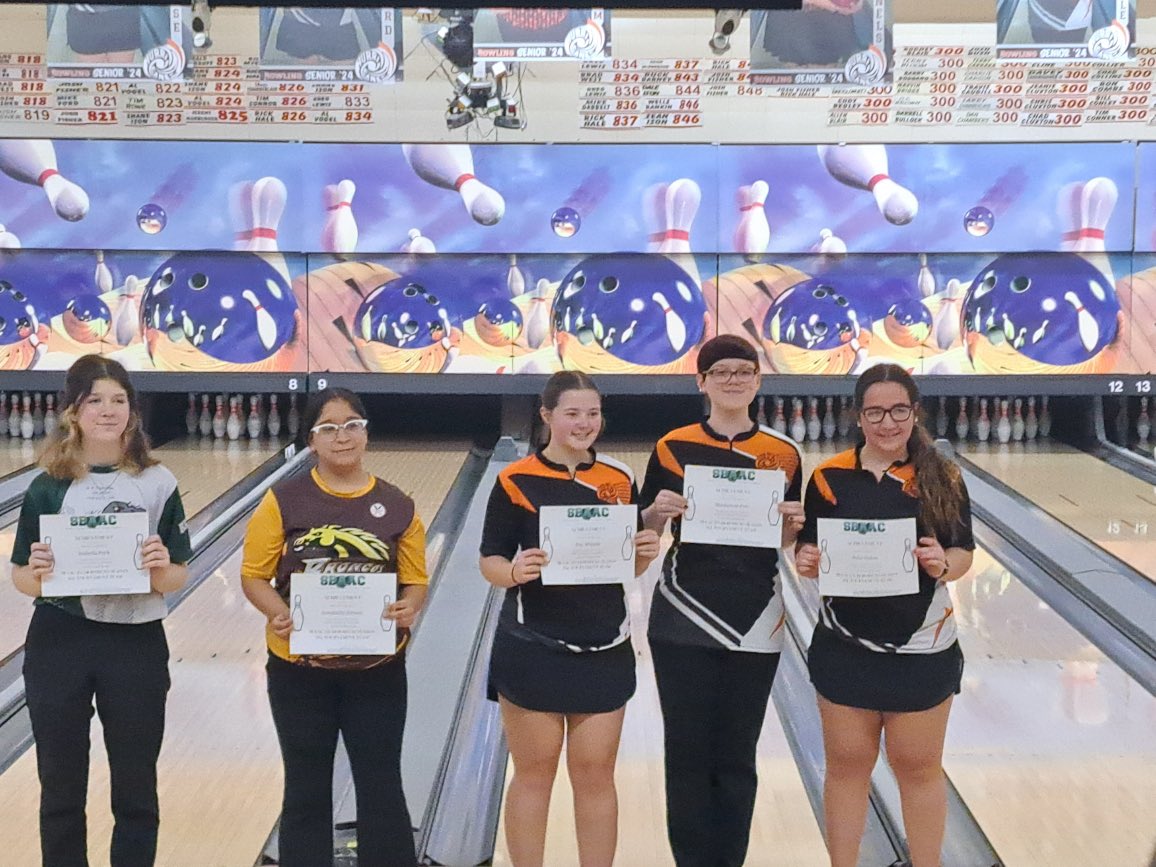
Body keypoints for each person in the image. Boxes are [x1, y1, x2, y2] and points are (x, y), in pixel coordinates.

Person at [9, 355, 192, 867]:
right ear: (73, 411)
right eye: (95, 400)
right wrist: (40, 571)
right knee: (61, 789)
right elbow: (22, 577)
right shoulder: (47, 486)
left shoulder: (158, 482)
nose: (108, 411)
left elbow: (179, 574)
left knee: (136, 789)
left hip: (135, 642)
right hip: (60, 639)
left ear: (132, 411)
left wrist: (160, 566)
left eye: (119, 400)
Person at [794, 364, 975, 867]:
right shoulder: (829, 478)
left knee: (918, 769)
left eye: (899, 410)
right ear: (858, 416)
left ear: (915, 412)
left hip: (922, 646)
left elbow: (963, 553)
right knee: (846, 769)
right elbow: (810, 550)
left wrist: (943, 565)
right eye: (875, 411)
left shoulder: (943, 475)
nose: (888, 422)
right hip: (846, 645)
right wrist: (805, 559)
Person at [479, 371, 661, 867]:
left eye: (593, 413)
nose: (584, 423)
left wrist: (646, 550)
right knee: (534, 776)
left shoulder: (620, 480)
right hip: (533, 645)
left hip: (603, 648)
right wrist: (515, 570)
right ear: (547, 416)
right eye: (573, 413)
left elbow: (629, 566)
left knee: (596, 777)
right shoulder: (513, 480)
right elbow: (489, 560)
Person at [241, 387, 428, 867]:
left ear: (365, 432)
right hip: (297, 667)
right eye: (329, 428)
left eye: (352, 425)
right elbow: (253, 576)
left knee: (381, 782)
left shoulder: (398, 504)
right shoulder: (282, 501)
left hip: (378, 669)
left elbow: (415, 582)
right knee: (305, 785)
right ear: (312, 441)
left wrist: (409, 608)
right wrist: (274, 612)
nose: (342, 437)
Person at [637, 334, 805, 867]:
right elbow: (643, 533)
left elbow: (781, 541)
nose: (733, 379)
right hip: (681, 613)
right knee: (685, 754)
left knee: (737, 757)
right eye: (721, 371)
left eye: (743, 370)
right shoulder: (671, 445)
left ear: (758, 380)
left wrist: (792, 529)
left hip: (756, 617)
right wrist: (656, 513)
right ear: (701, 380)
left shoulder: (784, 452)